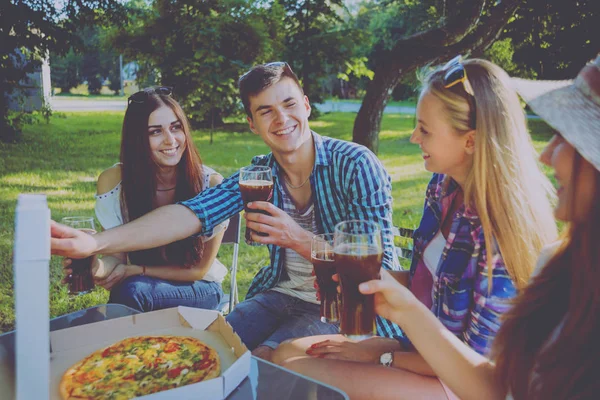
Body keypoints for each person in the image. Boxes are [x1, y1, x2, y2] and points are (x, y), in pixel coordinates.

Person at [282, 55, 600, 400]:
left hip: (454, 375)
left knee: (295, 370)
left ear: (471, 141)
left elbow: (482, 367)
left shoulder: (500, 233)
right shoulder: (443, 188)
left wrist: (384, 354)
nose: (414, 137)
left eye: (426, 129)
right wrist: (375, 284)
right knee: (284, 354)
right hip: (423, 346)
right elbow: (426, 281)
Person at [50, 62, 403, 361]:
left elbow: (380, 273)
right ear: (252, 123)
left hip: (341, 309)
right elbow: (188, 213)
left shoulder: (356, 165)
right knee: (204, 354)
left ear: (306, 105)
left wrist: (298, 239)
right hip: (277, 296)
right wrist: (94, 245)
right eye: (265, 111)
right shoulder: (257, 175)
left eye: (289, 104)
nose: (281, 119)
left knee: (264, 362)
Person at [63, 87, 228, 312]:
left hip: (200, 288)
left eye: (176, 127)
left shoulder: (210, 184)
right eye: (155, 132)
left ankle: (118, 344)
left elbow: (198, 271)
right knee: (132, 291)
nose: (170, 140)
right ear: (137, 139)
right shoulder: (115, 183)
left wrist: (138, 270)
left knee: (131, 292)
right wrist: (96, 266)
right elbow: (115, 259)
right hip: (142, 285)